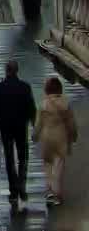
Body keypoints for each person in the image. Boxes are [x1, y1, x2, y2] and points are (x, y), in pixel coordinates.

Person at [0, 60, 39, 210]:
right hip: (20, 127)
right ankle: (22, 187)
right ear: (17, 70)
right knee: (23, 157)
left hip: (5, 128)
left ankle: (13, 191)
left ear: (6, 71)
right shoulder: (25, 87)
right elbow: (32, 108)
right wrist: (34, 124)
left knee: (9, 160)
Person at [37, 75, 78, 206]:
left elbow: (38, 123)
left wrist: (35, 135)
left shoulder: (43, 104)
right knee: (58, 166)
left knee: (48, 165)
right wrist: (74, 135)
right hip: (61, 138)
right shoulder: (65, 104)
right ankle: (57, 193)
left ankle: (49, 191)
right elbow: (71, 124)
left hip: (46, 137)